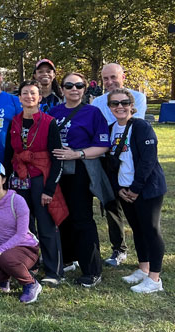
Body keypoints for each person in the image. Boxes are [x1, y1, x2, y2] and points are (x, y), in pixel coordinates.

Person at [48, 72, 112, 288]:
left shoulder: (93, 113)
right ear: (62, 89)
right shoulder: (53, 112)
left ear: (85, 88)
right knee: (61, 217)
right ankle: (67, 259)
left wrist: (78, 154)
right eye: (69, 85)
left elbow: (103, 145)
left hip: (81, 170)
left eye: (79, 85)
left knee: (82, 219)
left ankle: (92, 270)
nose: (74, 89)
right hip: (57, 171)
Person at [3, 80, 66, 287]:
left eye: (33, 93)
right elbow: (9, 153)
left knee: (46, 225)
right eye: (25, 93)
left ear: (39, 98)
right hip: (18, 179)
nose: (29, 96)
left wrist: (50, 189)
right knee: (24, 225)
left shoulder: (49, 122)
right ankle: (29, 264)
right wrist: (5, 181)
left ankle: (54, 271)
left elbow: (57, 157)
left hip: (41, 176)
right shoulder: (15, 122)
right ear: (19, 98)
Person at [104, 88, 166, 293]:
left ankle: (155, 279)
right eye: (114, 103)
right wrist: (119, 189)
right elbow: (110, 163)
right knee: (137, 229)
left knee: (151, 230)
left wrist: (136, 188)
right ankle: (143, 268)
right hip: (125, 190)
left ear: (131, 105)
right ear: (109, 107)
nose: (119, 107)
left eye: (124, 102)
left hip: (147, 189)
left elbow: (148, 161)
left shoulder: (141, 127)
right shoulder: (112, 128)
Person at [91, 63, 148, 267]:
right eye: (105, 79)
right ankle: (119, 249)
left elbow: (131, 129)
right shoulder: (97, 102)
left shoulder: (137, 97)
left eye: (113, 77)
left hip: (131, 159)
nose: (109, 82)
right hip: (107, 160)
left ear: (123, 76)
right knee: (110, 204)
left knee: (137, 206)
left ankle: (147, 256)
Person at [0, 163, 42, 304]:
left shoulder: (17, 200)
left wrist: (0, 250)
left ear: (4, 180)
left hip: (25, 246)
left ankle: (31, 284)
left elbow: (22, 233)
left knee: (6, 259)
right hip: (0, 247)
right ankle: (4, 278)